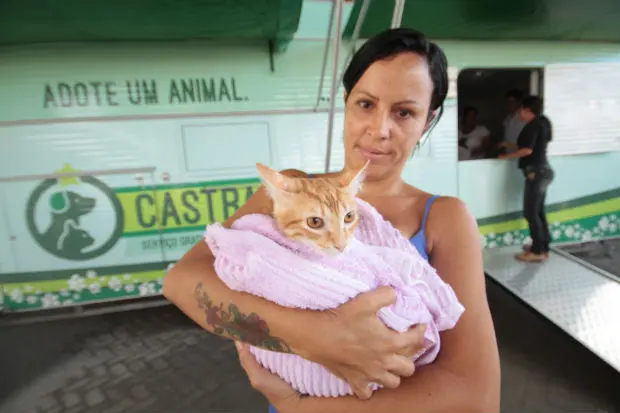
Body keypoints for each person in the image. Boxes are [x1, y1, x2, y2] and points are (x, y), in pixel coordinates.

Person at [163, 27, 501, 413]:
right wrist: (312, 337)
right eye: (366, 104)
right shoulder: (291, 192)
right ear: (346, 101)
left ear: (428, 120)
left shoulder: (444, 218)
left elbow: (477, 398)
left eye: (404, 112)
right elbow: (182, 281)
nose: (380, 130)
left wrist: (298, 406)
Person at [499, 95, 554, 262]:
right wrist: (507, 145)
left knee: (531, 212)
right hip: (542, 171)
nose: (519, 113)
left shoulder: (533, 125)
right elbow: (530, 146)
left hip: (536, 173)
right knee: (537, 211)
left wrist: (507, 157)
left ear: (527, 110)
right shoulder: (543, 122)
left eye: (521, 109)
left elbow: (527, 150)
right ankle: (543, 245)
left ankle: (537, 251)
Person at [497, 89, 527, 153]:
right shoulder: (507, 120)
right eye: (508, 102)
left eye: (512, 102)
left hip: (522, 156)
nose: (509, 104)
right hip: (509, 156)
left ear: (519, 102)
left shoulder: (525, 118)